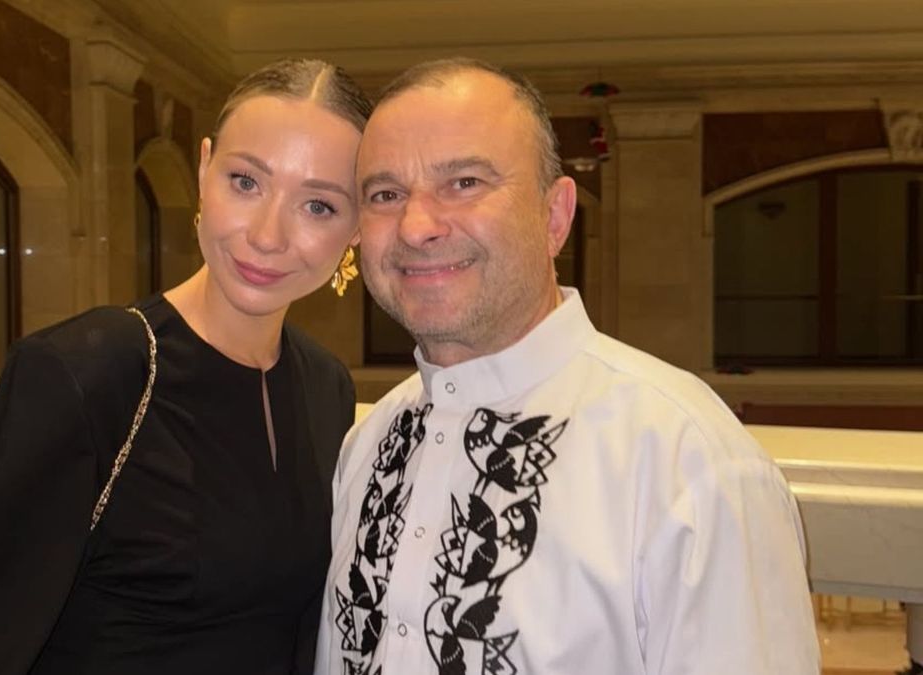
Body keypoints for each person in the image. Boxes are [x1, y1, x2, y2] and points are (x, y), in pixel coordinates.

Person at [315, 58, 819, 675]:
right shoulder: (368, 445)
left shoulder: (686, 461)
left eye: (465, 182)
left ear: (554, 217)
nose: (417, 226)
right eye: (386, 194)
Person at [0, 58, 371, 675]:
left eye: (319, 206)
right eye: (246, 182)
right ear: (204, 170)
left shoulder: (326, 386)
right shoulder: (87, 374)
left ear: (358, 227)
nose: (267, 235)